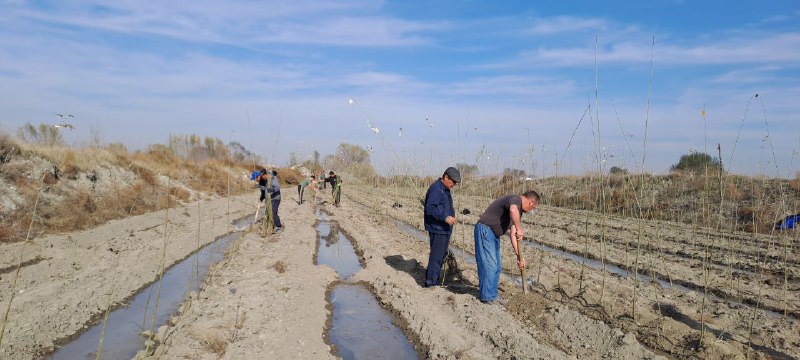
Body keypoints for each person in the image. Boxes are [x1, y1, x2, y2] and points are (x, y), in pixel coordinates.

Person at [474, 190, 539, 304]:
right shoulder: (516, 200)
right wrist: (519, 228)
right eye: (533, 207)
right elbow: (513, 211)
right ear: (531, 202)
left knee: (497, 267)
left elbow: (513, 233)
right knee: (490, 266)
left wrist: (519, 256)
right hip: (485, 230)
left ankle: (492, 295)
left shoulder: (519, 210)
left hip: (493, 235)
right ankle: (487, 297)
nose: (531, 211)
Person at [423, 167, 460, 287]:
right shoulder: (436, 189)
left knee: (441, 255)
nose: (454, 184)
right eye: (453, 182)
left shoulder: (444, 189)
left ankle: (434, 279)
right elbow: (430, 208)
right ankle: (431, 283)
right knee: (436, 257)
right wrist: (445, 217)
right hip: (438, 228)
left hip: (443, 228)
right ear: (446, 177)